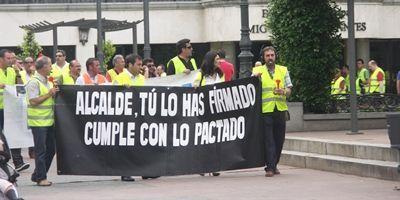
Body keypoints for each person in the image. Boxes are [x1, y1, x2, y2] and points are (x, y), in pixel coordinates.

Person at [252, 46, 292, 177]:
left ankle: (274, 165)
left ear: (275, 56)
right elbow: (250, 86)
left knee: (279, 140)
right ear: (263, 58)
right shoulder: (258, 70)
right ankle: (270, 167)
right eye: (267, 55)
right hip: (266, 110)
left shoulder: (283, 70)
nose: (270, 58)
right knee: (269, 140)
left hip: (280, 109)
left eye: (272, 55)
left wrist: (284, 91)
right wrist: (255, 78)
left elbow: (289, 90)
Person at [25, 56, 58, 186]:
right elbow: (33, 101)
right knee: (41, 150)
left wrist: (54, 93)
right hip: (38, 123)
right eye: (50, 65)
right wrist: (49, 94)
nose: (51, 68)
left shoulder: (48, 81)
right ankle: (41, 178)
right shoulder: (34, 82)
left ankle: (37, 174)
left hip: (48, 121)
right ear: (44, 67)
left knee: (51, 149)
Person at [193, 51, 224, 177]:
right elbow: (194, 87)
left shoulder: (220, 74)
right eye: (217, 59)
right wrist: (195, 87)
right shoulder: (201, 75)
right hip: (204, 111)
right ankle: (203, 165)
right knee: (205, 139)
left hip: (217, 110)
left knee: (216, 139)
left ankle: (215, 166)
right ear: (211, 60)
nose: (219, 61)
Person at [0, 49, 30, 173]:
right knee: (2, 136)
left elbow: (20, 87)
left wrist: (18, 73)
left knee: (14, 133)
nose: (11, 60)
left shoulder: (13, 70)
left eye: (12, 58)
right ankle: (5, 159)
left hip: (10, 108)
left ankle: (18, 162)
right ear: (1, 59)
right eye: (8, 58)